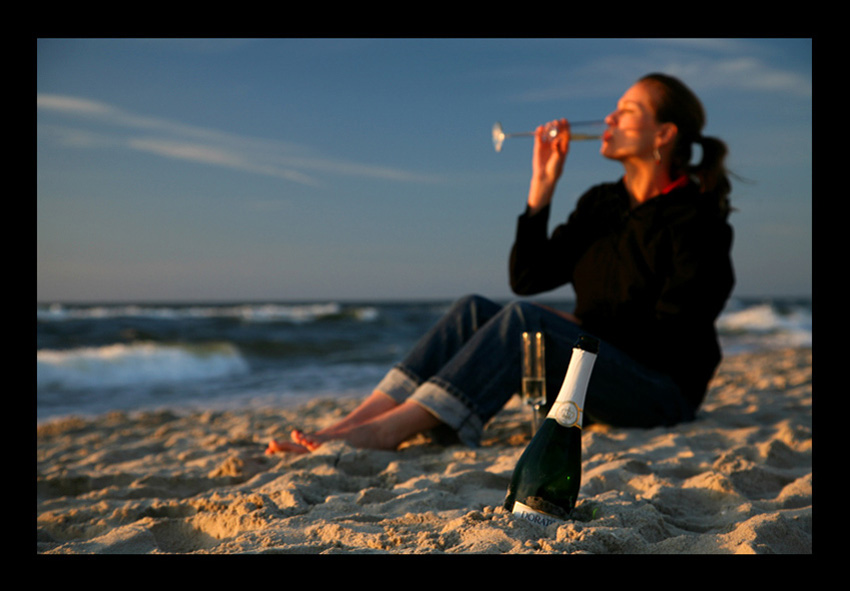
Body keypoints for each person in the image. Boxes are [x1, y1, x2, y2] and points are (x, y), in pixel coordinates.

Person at [266, 73, 735, 455]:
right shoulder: (601, 203)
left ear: (664, 133)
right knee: (473, 308)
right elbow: (528, 278)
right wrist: (541, 188)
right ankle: (353, 423)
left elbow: (675, 335)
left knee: (525, 320)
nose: (609, 118)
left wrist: (577, 327)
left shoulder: (696, 221)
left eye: (627, 110)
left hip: (659, 392)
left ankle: (388, 431)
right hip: (591, 376)